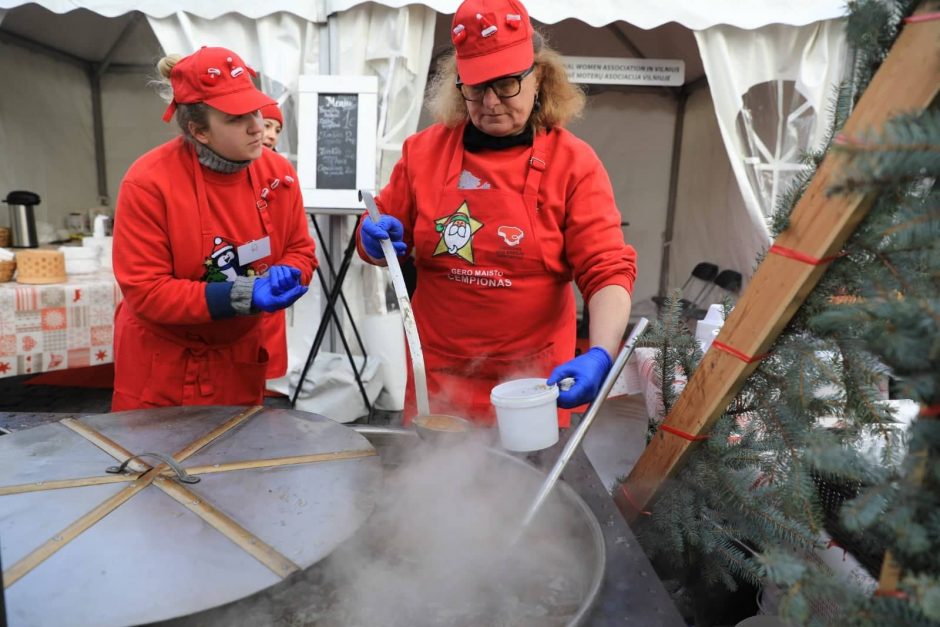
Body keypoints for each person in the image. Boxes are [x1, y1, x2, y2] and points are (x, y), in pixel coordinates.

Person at [357, 0, 636, 427]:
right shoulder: (422, 153)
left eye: (506, 84)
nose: (490, 102)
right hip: (438, 380)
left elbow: (607, 269)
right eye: (475, 86)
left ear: (538, 76)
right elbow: (380, 240)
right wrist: (372, 239)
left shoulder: (574, 164)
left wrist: (600, 352)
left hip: (533, 385)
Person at [111, 46, 316, 410]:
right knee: (155, 465)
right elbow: (147, 291)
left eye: (254, 109)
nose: (257, 126)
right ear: (199, 131)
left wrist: (289, 273)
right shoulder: (148, 183)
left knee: (236, 460)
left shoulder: (279, 174)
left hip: (236, 358)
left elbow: (300, 249)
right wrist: (242, 294)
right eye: (236, 119)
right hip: (164, 364)